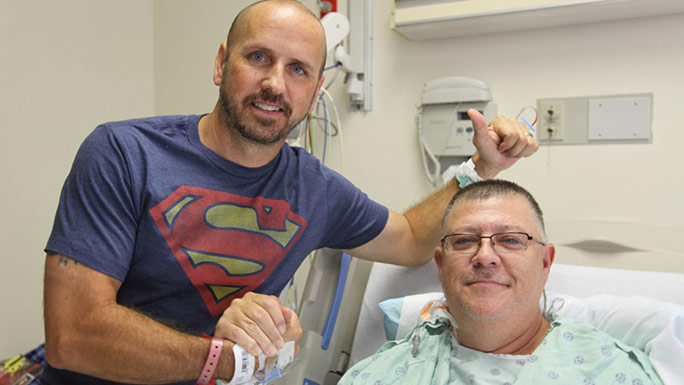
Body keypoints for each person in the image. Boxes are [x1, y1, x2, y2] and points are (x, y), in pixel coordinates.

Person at [41, 1, 538, 385]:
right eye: (258, 57)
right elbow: (74, 336)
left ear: (316, 90)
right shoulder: (124, 153)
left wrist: (480, 167)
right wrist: (230, 361)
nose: (275, 84)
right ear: (221, 64)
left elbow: (408, 239)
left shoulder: (313, 188)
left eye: (298, 70)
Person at [338, 180, 664, 385]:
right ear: (440, 264)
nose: (485, 256)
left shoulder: (607, 368)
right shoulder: (381, 373)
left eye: (509, 240)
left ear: (545, 262)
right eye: (464, 240)